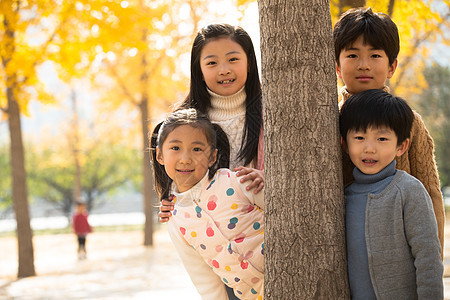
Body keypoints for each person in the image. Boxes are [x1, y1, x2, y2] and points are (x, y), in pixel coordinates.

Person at [333, 7, 445, 254]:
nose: (364, 65)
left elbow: (431, 193)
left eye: (375, 56)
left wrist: (432, 259)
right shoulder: (329, 120)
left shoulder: (410, 123)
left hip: (399, 252)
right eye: (352, 56)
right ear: (338, 67)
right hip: (347, 254)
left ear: (392, 66)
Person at [339, 89, 443, 299]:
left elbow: (428, 260)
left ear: (401, 146)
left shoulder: (408, 191)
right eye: (359, 137)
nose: (369, 148)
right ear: (344, 143)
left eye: (382, 139)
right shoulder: (342, 197)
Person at [151, 108, 264, 300]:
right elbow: (205, 282)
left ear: (212, 157)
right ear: (160, 155)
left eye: (196, 149)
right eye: (175, 148)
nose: (185, 159)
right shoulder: (175, 220)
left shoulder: (236, 182)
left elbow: (285, 211)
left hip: (292, 277)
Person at [158, 23, 264, 223]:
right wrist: (172, 201)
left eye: (233, 59)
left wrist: (268, 178)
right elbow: (178, 178)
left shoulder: (273, 114)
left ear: (249, 62)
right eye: (212, 63)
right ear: (199, 69)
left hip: (260, 229)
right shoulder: (186, 122)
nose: (224, 70)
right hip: (209, 231)